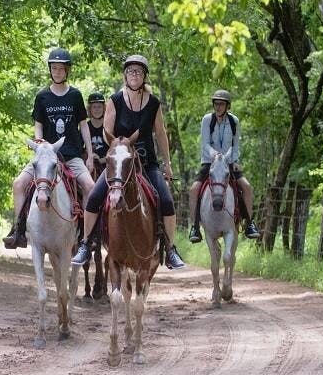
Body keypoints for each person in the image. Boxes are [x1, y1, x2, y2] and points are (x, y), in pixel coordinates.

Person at [72, 54, 186, 270]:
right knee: (94, 198)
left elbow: (160, 134)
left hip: (147, 162)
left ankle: (170, 249)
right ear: (125, 75)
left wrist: (168, 163)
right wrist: (116, 153)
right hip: (120, 163)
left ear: (144, 76)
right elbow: (108, 134)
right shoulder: (114, 100)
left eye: (139, 72)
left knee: (167, 201)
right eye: (131, 71)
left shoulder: (153, 103)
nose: (135, 74)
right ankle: (86, 243)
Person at [3, 48, 96, 249]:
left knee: (90, 187)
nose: (57, 72)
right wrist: (39, 146)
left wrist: (88, 155)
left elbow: (84, 125)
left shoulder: (75, 95)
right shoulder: (42, 96)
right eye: (54, 68)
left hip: (71, 155)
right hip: (46, 157)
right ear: (50, 70)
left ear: (67, 71)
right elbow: (38, 125)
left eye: (61, 69)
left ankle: (89, 236)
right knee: (19, 184)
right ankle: (19, 230)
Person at [188, 89, 261, 242]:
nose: (218, 106)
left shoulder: (234, 121)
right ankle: (195, 227)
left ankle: (249, 223)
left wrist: (233, 161)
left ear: (228, 106)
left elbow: (235, 145)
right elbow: (205, 143)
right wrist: (214, 154)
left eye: (221, 104)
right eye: (216, 103)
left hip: (228, 163)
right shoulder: (207, 119)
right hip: (210, 162)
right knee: (194, 189)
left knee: (246, 187)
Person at [86, 91, 109, 177]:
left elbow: (114, 148)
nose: (97, 110)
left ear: (104, 108)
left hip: (107, 164)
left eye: (99, 107)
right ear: (89, 109)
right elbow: (80, 147)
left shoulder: (108, 126)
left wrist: (102, 160)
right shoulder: (86, 126)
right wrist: (90, 155)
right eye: (94, 107)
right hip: (90, 164)